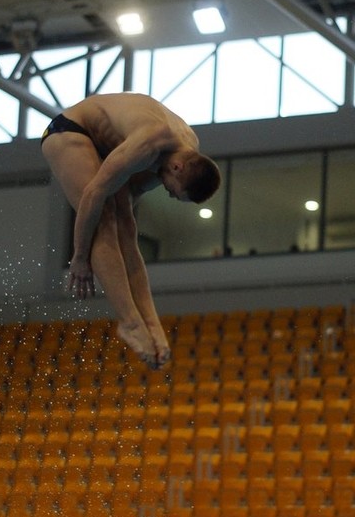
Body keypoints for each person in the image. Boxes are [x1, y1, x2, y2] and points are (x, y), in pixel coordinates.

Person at [41, 93, 221, 368]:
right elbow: (92, 195)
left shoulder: (186, 149)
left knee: (127, 224)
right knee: (104, 220)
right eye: (174, 191)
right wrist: (80, 257)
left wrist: (122, 218)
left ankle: (151, 323)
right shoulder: (149, 143)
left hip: (113, 147)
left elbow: (130, 194)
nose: (169, 195)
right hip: (71, 131)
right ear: (177, 167)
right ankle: (130, 322)